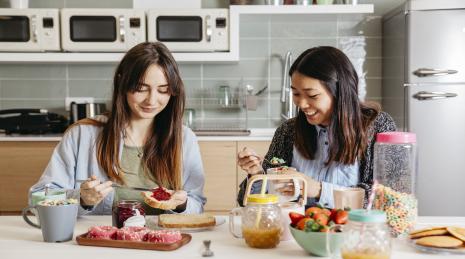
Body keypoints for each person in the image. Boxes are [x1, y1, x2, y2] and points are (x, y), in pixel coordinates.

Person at [29, 42, 206, 215]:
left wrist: (181, 205)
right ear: (123, 83)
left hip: (163, 241)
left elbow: (196, 203)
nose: (151, 100)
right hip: (100, 240)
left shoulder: (184, 138)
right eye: (141, 88)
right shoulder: (82, 134)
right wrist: (81, 198)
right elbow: (36, 199)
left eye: (162, 90)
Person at [237, 46, 396, 208]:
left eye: (312, 95)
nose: (302, 104)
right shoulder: (287, 131)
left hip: (352, 231)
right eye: (296, 94)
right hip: (296, 230)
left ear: (339, 92)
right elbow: (249, 203)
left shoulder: (378, 127)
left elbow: (389, 198)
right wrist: (257, 175)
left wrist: (317, 189)